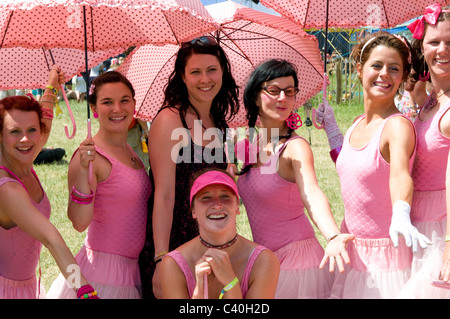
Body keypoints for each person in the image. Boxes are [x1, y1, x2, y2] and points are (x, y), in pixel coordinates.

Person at [318, 32, 432, 298]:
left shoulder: (397, 126)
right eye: (377, 66)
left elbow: (399, 176)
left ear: (403, 77)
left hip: (384, 263)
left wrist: (401, 212)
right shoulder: (358, 123)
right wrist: (332, 127)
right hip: (352, 254)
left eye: (394, 69)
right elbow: (353, 167)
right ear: (360, 69)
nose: (385, 74)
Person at [235, 59, 354, 299]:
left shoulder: (295, 147)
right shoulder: (248, 148)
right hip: (265, 260)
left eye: (289, 92)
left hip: (297, 262)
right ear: (255, 96)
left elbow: (311, 194)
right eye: (273, 90)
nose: (282, 98)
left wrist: (332, 235)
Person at [138, 35, 240, 299]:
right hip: (172, 243)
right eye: (195, 72)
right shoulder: (170, 120)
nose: (205, 79)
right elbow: (163, 194)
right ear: (182, 77)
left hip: (209, 241)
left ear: (222, 72)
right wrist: (161, 259)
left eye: (211, 70)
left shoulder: (218, 120)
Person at [47, 71, 151, 299]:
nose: (117, 109)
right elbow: (78, 222)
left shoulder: (130, 152)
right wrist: (84, 171)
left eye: (124, 100)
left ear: (134, 104)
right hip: (103, 276)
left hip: (132, 271)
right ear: (93, 109)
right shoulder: (90, 158)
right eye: (107, 102)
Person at [0, 66, 98, 299]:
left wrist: (51, 87)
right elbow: (53, 241)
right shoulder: (7, 188)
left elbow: (42, 124)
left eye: (32, 130)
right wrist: (86, 293)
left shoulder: (22, 159)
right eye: (15, 132)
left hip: (27, 286)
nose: (25, 139)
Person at [395, 3, 450, 298]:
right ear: (422, 48)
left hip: (442, 226)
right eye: (434, 42)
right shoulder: (431, 99)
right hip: (416, 219)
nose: (442, 50)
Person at [159, 168, 280, 298]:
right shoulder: (173, 265)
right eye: (206, 198)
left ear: (237, 206)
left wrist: (231, 282)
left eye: (225, 196)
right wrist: (199, 292)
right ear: (193, 210)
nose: (217, 205)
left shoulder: (264, 261)